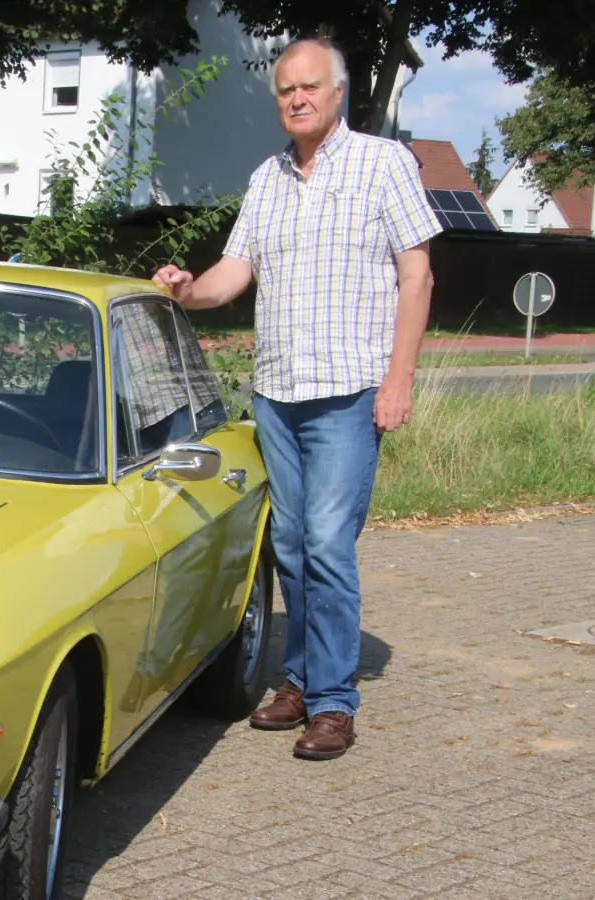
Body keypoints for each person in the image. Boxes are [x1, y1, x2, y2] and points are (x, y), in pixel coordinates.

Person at [153, 37, 439, 761]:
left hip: (349, 392)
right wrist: (188, 291)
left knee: (328, 544)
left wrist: (399, 379)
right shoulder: (267, 178)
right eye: (286, 90)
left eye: (310, 86)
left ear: (338, 92)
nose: (297, 99)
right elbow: (234, 271)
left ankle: (335, 702)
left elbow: (418, 276)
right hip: (277, 393)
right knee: (289, 544)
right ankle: (301, 680)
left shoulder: (384, 163)